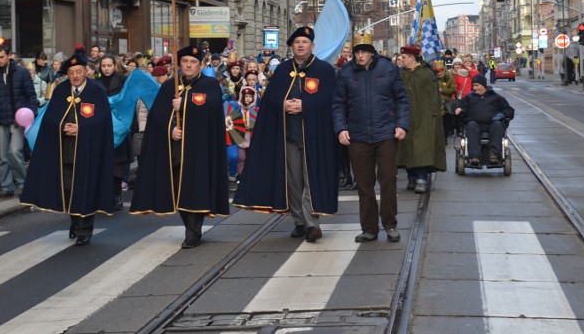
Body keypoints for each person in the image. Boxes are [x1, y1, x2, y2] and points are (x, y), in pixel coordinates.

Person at [233, 26, 339, 243]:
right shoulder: (282, 70)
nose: (301, 45)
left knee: (311, 178)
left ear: (313, 46)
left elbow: (332, 101)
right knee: (293, 179)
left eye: (305, 42)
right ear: (292, 46)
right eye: (297, 42)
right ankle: (299, 221)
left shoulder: (324, 70)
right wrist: (282, 104)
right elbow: (270, 100)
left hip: (314, 135)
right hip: (287, 133)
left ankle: (312, 224)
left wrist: (305, 105)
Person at [130, 45, 229, 249]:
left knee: (195, 187)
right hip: (175, 149)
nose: (189, 65)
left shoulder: (209, 84)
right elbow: (157, 115)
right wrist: (171, 129)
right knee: (181, 189)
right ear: (179, 65)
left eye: (193, 62)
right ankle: (190, 226)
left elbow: (210, 105)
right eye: (185, 62)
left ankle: (193, 231)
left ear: (200, 65)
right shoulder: (170, 86)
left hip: (199, 149)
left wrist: (184, 104)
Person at [20, 47, 115, 246]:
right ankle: (75, 220)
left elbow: (103, 121)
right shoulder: (61, 91)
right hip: (65, 151)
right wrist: (63, 126)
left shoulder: (96, 91)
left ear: (86, 71)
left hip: (87, 151)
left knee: (86, 188)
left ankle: (85, 229)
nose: (75, 76)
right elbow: (51, 119)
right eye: (71, 73)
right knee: (69, 188)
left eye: (78, 72)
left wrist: (82, 128)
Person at [332, 37, 410, 243]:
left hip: (386, 133)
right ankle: (369, 228)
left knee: (387, 180)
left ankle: (390, 224)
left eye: (364, 52)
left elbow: (402, 99)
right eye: (357, 52)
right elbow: (338, 104)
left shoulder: (388, 69)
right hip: (357, 135)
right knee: (364, 185)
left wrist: (401, 124)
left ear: (372, 53)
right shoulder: (346, 72)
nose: (360, 56)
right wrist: (341, 128)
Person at [0, 44, 38, 198]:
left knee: (14, 152)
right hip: (0, 119)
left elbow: (31, 96)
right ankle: (7, 186)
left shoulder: (22, 72)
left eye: (1, 57)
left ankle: (23, 183)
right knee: (3, 156)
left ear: (9, 56)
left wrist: (31, 113)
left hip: (18, 119)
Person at [397, 45, 446, 194]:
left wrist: (432, 116)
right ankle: (411, 176)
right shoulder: (401, 75)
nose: (401, 60)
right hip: (405, 117)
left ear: (411, 58)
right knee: (406, 148)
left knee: (422, 147)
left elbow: (433, 98)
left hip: (424, 117)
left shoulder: (426, 74)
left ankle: (421, 178)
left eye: (404, 57)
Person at [94, 54, 131, 210]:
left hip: (119, 127)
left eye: (109, 65)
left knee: (117, 166)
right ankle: (104, 196)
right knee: (103, 165)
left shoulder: (123, 80)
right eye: (104, 66)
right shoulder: (95, 83)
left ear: (115, 66)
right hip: (102, 126)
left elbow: (129, 101)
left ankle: (116, 195)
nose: (107, 68)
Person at [455, 74, 514, 167]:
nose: (474, 88)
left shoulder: (496, 97)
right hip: (475, 123)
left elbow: (509, 110)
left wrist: (500, 115)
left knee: (498, 125)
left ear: (483, 85)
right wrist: (459, 109)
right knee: (471, 125)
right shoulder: (469, 97)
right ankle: (474, 157)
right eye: (473, 85)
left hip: (492, 124)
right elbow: (461, 106)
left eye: (477, 85)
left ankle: (494, 155)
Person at [433, 60, 457, 144]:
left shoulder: (448, 77)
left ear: (443, 70)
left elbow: (453, 89)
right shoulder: (432, 78)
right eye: (437, 72)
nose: (439, 74)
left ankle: (444, 138)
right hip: (435, 104)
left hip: (446, 105)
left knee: (445, 124)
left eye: (440, 71)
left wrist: (442, 90)